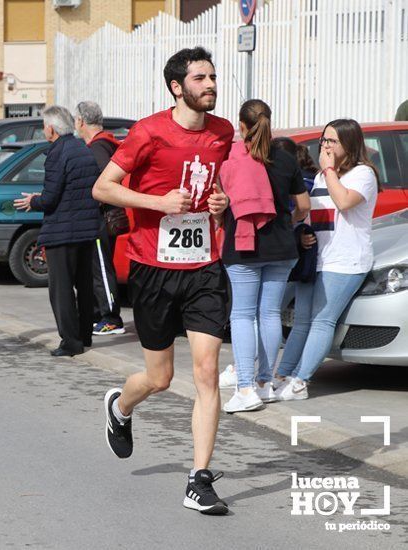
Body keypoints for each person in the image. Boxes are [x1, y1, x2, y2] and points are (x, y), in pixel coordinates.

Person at [93, 47, 234, 515]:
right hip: (154, 268)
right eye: (200, 78)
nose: (210, 84)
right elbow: (104, 187)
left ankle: (199, 480)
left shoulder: (222, 132)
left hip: (205, 267)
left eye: (212, 76)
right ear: (178, 87)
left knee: (207, 372)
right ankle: (120, 407)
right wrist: (157, 204)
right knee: (160, 378)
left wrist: (219, 201)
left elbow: (214, 185)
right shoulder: (149, 132)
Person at [274, 119, 380, 400]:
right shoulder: (323, 176)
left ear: (350, 143)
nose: (326, 146)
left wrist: (330, 169)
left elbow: (344, 202)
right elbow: (311, 214)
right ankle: (282, 376)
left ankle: (300, 382)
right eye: (324, 140)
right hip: (317, 259)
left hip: (345, 262)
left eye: (332, 141)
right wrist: (302, 234)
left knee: (322, 321)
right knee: (302, 321)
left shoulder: (363, 174)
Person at [218, 100, 310, 413]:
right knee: (269, 313)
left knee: (242, 315)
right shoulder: (286, 157)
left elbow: (218, 202)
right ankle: (263, 383)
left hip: (244, 246)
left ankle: (244, 388)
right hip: (283, 246)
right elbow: (304, 205)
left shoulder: (231, 157)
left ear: (241, 125)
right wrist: (288, 220)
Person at [13, 106, 100, 357]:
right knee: (83, 286)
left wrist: (34, 201)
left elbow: (50, 198)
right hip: (85, 230)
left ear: (50, 128)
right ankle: (85, 336)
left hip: (62, 231)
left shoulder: (57, 153)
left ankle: (70, 342)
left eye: (44, 125)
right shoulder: (83, 149)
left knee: (61, 289)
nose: (44, 129)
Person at [75, 101, 127, 337]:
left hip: (100, 219)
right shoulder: (105, 144)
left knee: (101, 269)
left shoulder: (98, 149)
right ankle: (98, 313)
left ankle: (111, 317)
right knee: (96, 268)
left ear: (80, 122)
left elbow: (105, 183)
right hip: (104, 217)